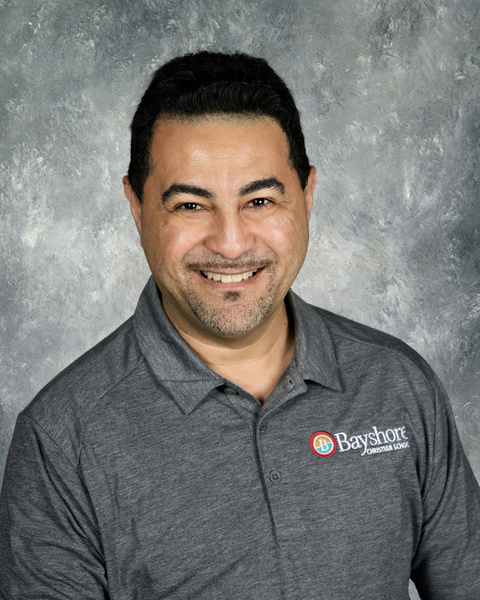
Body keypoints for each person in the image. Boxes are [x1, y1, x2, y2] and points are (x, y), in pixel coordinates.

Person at [0, 51, 479, 600]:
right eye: (190, 205)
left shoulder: (397, 383)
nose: (230, 243)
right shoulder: (61, 441)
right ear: (137, 207)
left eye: (259, 200)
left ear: (307, 196)